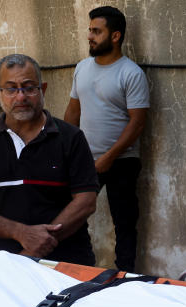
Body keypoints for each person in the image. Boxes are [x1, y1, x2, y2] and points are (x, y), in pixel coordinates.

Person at [0, 54, 98, 265]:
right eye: (11, 88)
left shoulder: (70, 137)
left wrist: (39, 245)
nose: (20, 97)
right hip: (3, 268)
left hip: (67, 265)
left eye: (29, 87)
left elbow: (86, 201)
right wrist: (21, 233)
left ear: (43, 89)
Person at [64, 6, 149, 272]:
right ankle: (80, 269)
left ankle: (124, 276)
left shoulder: (131, 73)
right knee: (72, 217)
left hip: (122, 161)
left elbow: (137, 123)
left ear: (115, 36)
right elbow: (73, 112)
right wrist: (65, 150)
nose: (89, 36)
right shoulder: (82, 68)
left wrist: (107, 159)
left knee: (124, 223)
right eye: (90, 30)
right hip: (85, 160)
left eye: (96, 31)